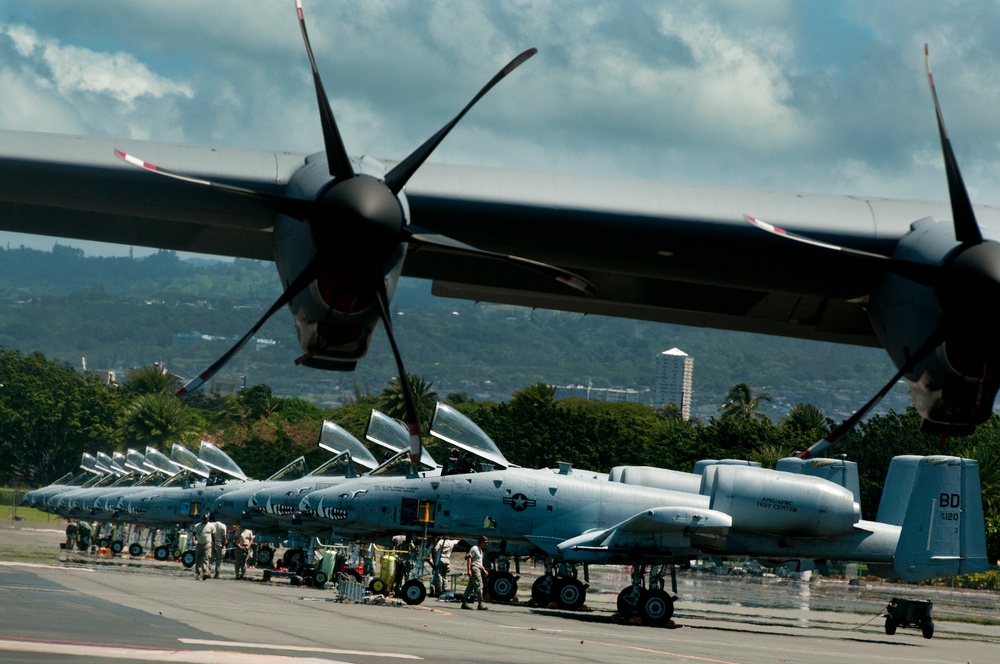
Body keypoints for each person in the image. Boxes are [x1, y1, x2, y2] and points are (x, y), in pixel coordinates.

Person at [461, 536, 489, 610]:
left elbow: (479, 563)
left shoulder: (480, 551)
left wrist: (484, 570)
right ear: (481, 542)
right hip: (475, 569)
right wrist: (469, 570)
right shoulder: (475, 548)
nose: (487, 544)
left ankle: (464, 602)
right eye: (486, 543)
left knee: (470, 587)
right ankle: (480, 604)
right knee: (479, 585)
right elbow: (469, 558)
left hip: (478, 568)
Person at [193, 514, 213, 580]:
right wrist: (194, 540)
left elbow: (213, 535)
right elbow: (194, 534)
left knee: (206, 558)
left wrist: (214, 544)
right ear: (202, 519)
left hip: (207, 544)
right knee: (198, 559)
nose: (205, 520)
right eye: (204, 519)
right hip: (199, 544)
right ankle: (199, 573)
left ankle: (205, 572)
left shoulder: (211, 526)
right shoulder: (197, 526)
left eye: (207, 519)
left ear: (208, 519)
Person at [210, 514, 227, 579]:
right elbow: (224, 537)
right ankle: (217, 574)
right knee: (219, 560)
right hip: (219, 544)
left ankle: (207, 572)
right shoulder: (223, 526)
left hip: (212, 543)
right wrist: (223, 544)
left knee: (210, 559)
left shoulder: (211, 525)